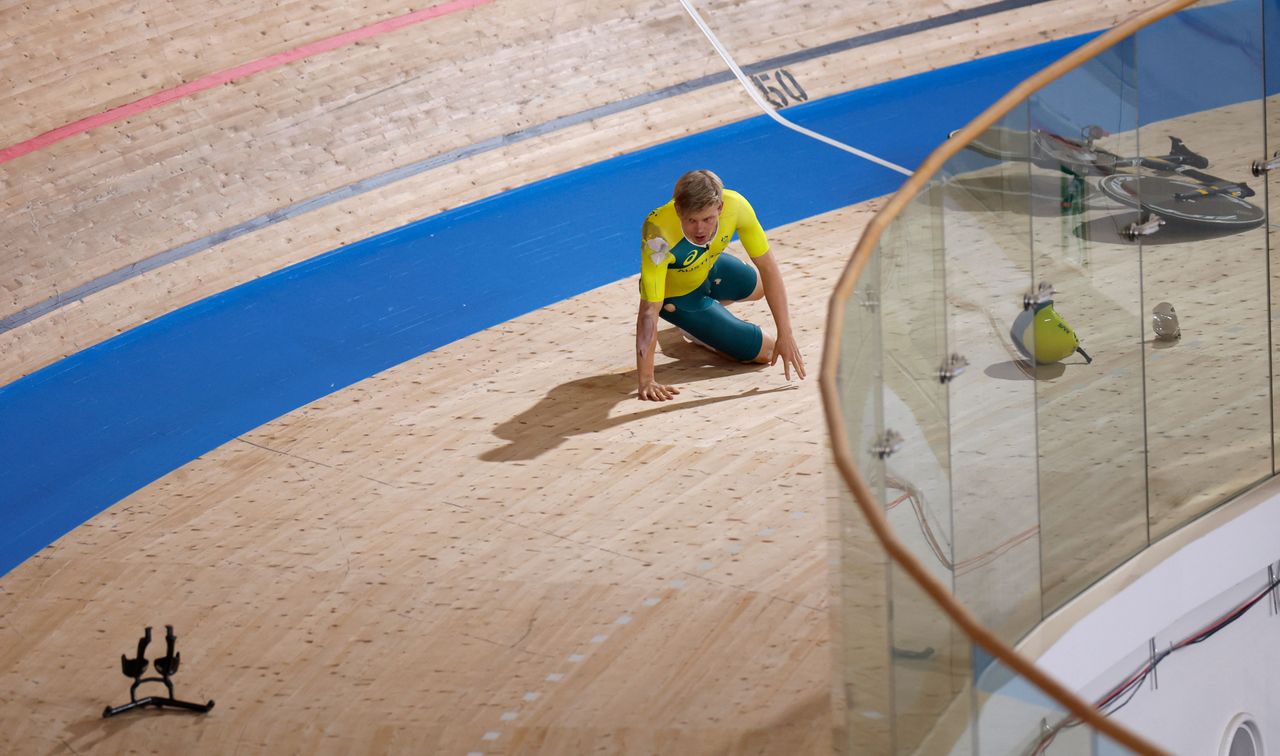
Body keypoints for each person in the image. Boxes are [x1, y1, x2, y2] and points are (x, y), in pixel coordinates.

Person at [635, 169, 804, 401]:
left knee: (760, 286)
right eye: (691, 220)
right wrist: (646, 380)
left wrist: (786, 333)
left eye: (708, 219)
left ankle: (707, 318)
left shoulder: (737, 205)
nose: (700, 229)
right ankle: (694, 326)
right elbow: (648, 310)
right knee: (766, 351)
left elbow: (769, 267)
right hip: (678, 297)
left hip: (707, 268)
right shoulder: (658, 232)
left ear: (720, 208)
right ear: (678, 211)